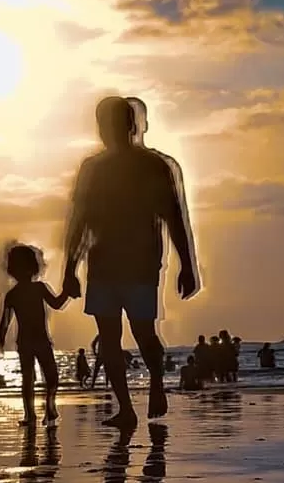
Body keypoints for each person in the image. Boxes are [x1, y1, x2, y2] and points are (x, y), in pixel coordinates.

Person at [62, 95, 198, 429]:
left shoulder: (154, 166)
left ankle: (155, 382)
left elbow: (174, 216)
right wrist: (69, 269)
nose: (108, 131)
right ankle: (125, 407)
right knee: (108, 336)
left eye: (114, 123)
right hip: (103, 262)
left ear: (132, 125)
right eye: (103, 124)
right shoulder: (92, 169)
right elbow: (79, 220)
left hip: (141, 261)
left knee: (143, 331)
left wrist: (188, 264)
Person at [0, 243, 69, 425]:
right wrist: (0, 339)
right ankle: (31, 414)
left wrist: (67, 292)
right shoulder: (15, 294)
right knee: (33, 377)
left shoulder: (37, 289)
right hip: (30, 341)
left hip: (35, 340)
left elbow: (57, 303)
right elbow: (6, 320)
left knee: (48, 376)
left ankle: (48, 407)